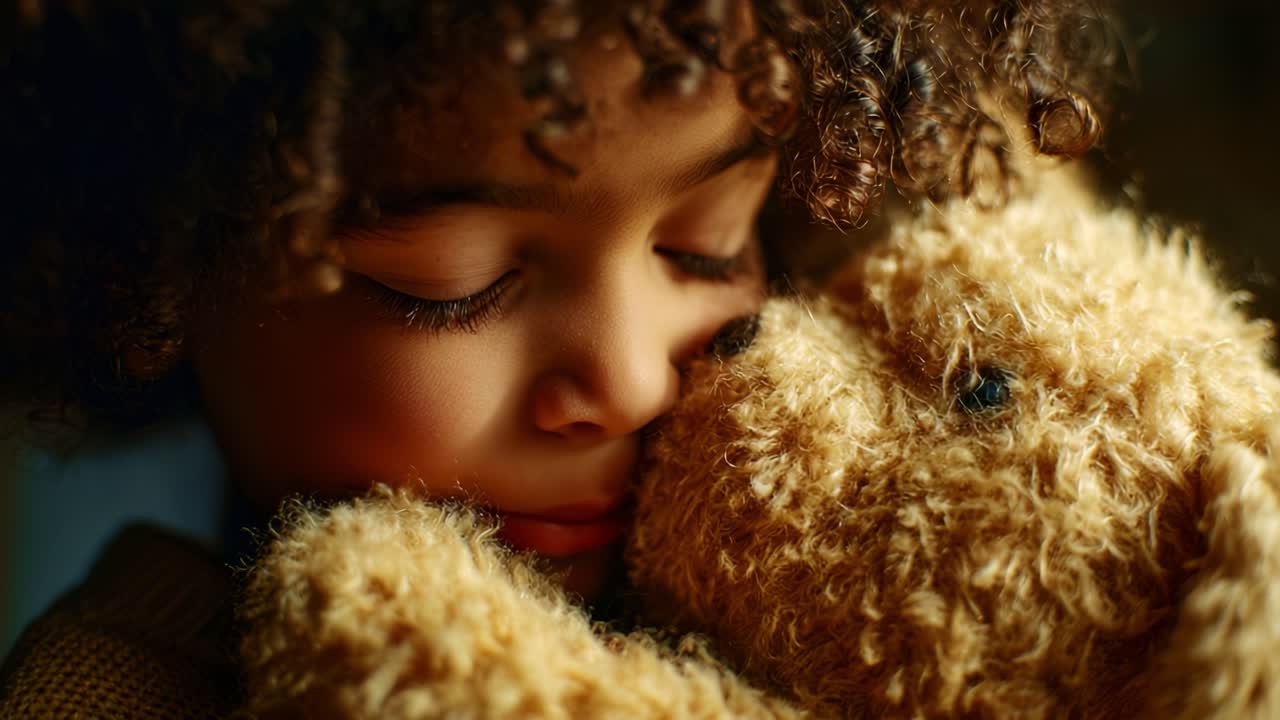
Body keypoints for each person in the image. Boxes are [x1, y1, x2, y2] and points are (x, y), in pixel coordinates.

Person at [0, 0, 1121, 715]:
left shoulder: (861, 569)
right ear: (155, 263)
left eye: (706, 244)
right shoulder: (107, 690)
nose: (630, 383)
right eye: (451, 284)